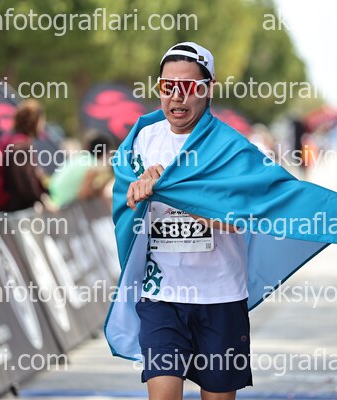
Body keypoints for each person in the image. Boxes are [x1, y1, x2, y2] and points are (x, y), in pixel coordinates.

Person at [124, 42, 251, 400]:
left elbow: (239, 221)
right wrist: (137, 189)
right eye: (168, 86)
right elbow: (123, 204)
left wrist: (178, 196)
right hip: (161, 295)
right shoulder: (142, 140)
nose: (177, 97)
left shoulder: (230, 147)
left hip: (220, 296)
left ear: (209, 89)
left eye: (189, 87)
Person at [1, 99, 50, 213]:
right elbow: (26, 182)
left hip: (9, 210)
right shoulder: (22, 146)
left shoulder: (12, 140)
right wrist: (42, 200)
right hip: (16, 211)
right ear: (35, 121)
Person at [49, 130, 118, 208]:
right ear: (106, 152)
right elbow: (84, 194)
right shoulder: (94, 166)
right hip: (60, 203)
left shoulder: (80, 157)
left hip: (52, 196)